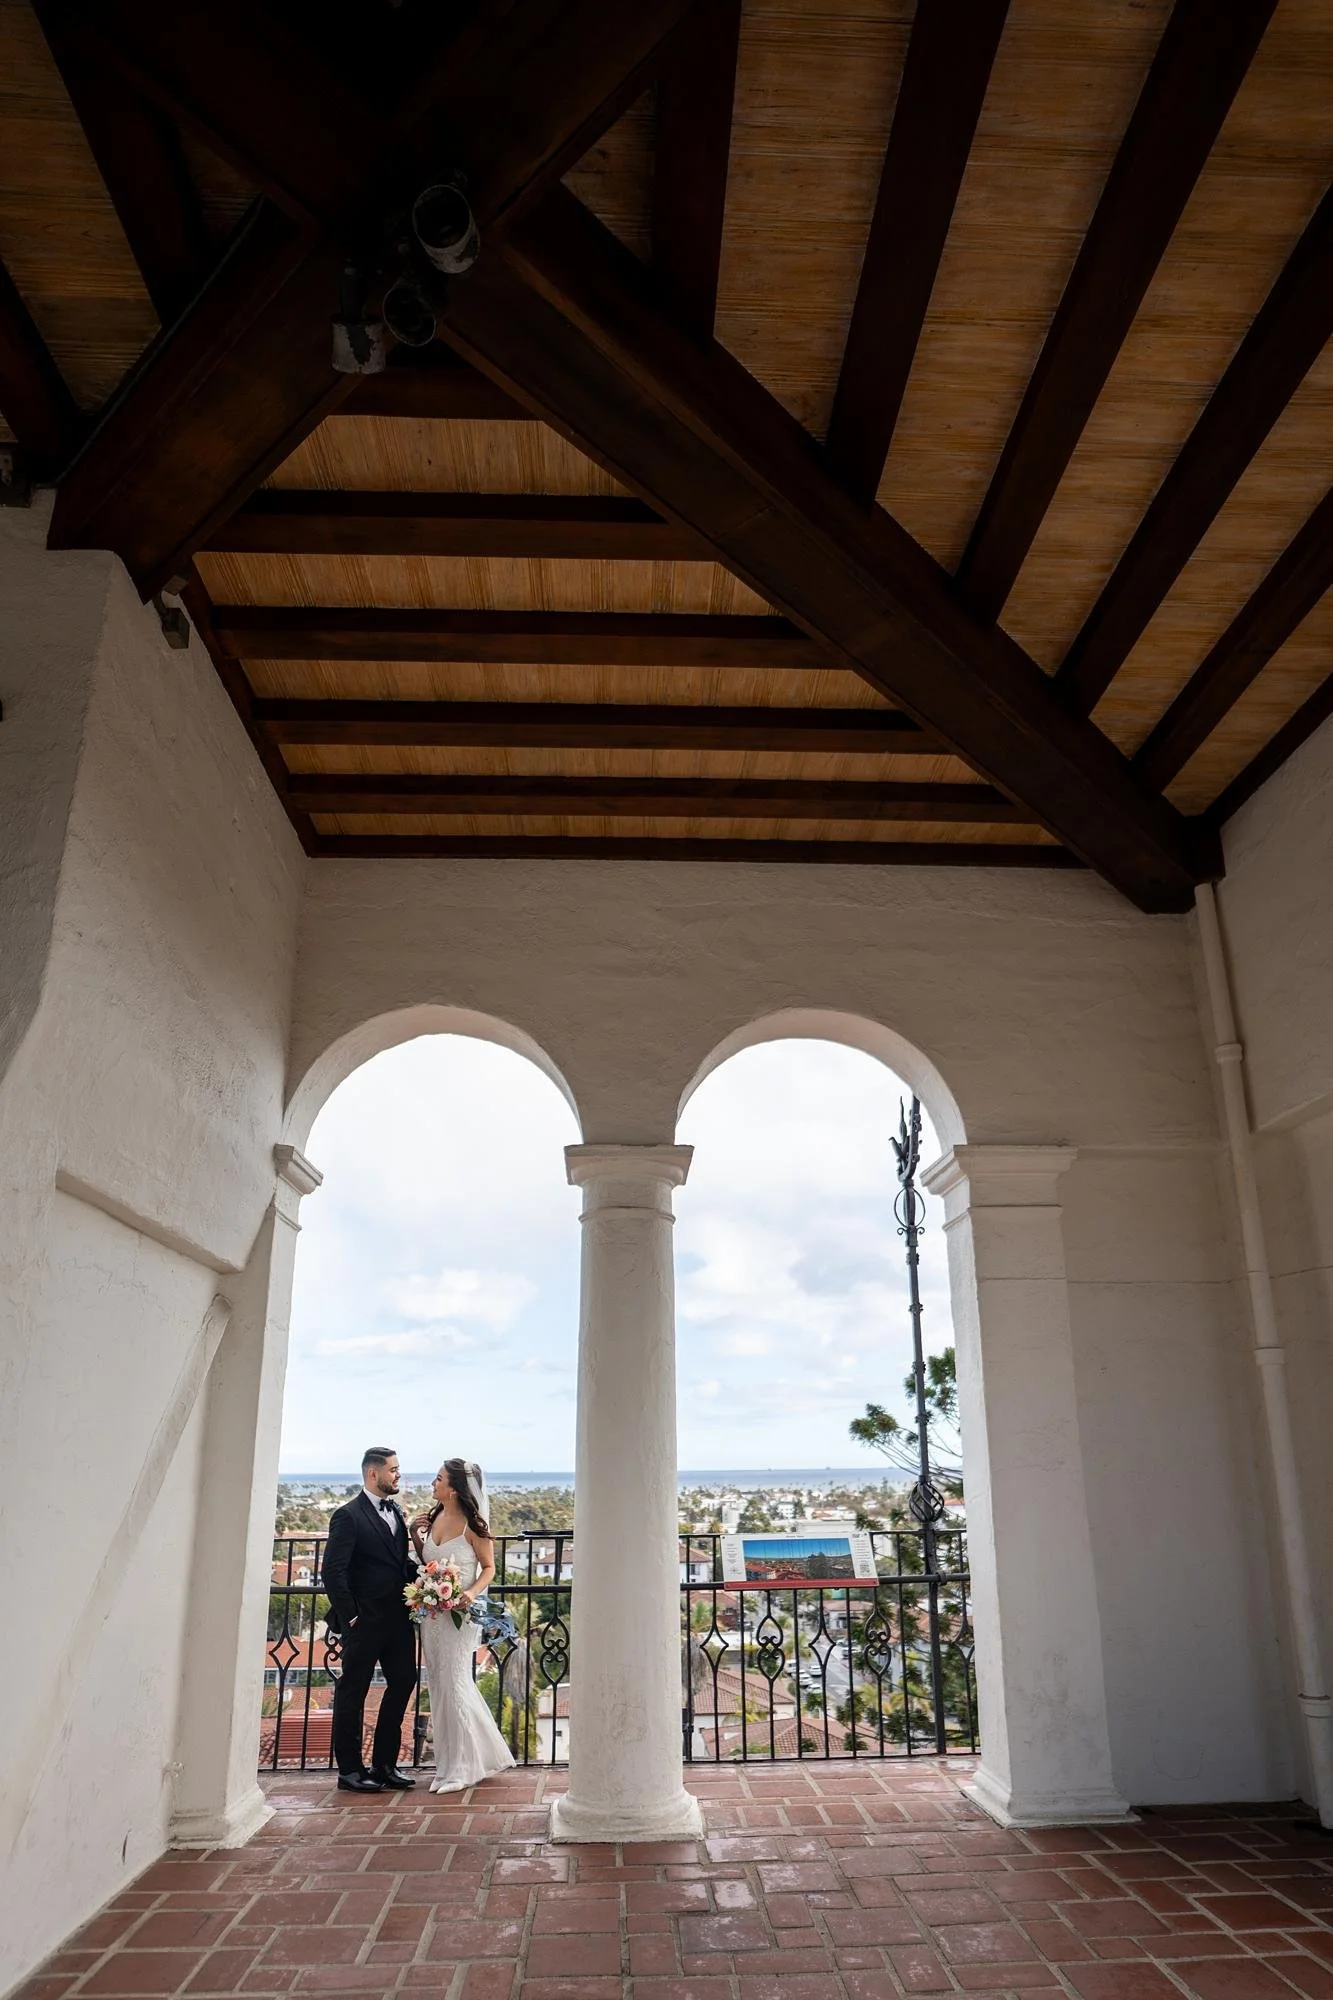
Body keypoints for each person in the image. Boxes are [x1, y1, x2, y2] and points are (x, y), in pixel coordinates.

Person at [410, 1459, 517, 1793]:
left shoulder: (474, 1525)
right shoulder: (436, 1517)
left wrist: (470, 1592)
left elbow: (488, 1568)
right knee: (439, 1685)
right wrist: (416, 1534)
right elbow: (427, 1561)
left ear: (454, 1487)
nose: (433, 1483)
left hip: (459, 1617)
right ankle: (451, 1763)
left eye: (438, 1478)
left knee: (455, 1683)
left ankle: (463, 1768)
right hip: (433, 1617)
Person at [322, 1446, 419, 1792]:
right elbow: (333, 1572)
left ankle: (384, 1764)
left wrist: (426, 1577)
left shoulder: (397, 1514)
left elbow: (398, 1564)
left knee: (404, 1682)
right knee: (353, 1693)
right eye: (393, 1470)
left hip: (398, 1621)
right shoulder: (347, 1516)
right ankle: (350, 1770)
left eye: (398, 1469)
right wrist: (351, 1617)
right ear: (373, 1474)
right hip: (363, 1624)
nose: (398, 1475)